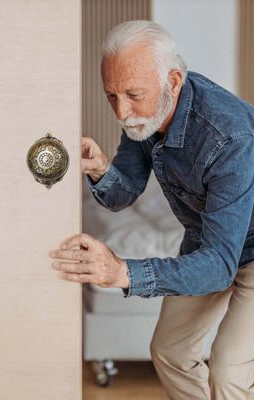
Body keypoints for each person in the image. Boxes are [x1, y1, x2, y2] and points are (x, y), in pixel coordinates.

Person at [49, 20, 254, 399]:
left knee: (228, 372)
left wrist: (123, 272)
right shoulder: (146, 113)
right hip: (207, 240)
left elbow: (220, 265)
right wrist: (103, 171)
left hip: (246, 250)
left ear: (174, 81)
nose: (123, 112)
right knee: (170, 351)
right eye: (112, 96)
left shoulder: (228, 137)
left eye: (133, 95)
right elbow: (123, 194)